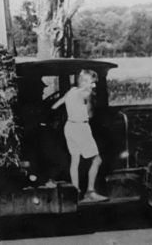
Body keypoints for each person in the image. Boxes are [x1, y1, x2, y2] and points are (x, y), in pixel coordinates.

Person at [52, 69, 108, 203]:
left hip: (69, 126)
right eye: (92, 83)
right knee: (97, 160)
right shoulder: (86, 93)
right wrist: (91, 101)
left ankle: (75, 192)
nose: (93, 86)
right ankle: (90, 191)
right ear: (84, 82)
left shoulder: (71, 92)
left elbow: (55, 106)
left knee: (75, 160)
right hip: (81, 127)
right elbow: (90, 114)